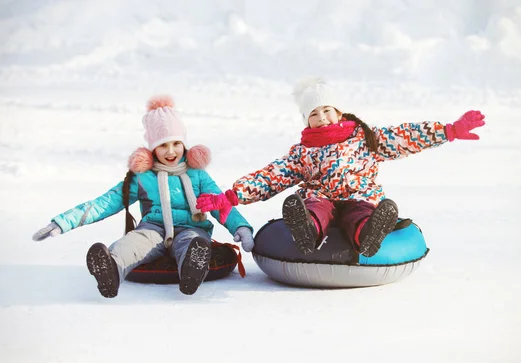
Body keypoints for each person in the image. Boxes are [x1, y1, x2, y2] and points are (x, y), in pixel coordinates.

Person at [196, 77, 485, 257]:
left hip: (360, 197)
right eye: (313, 114)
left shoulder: (365, 137)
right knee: (314, 208)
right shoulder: (302, 151)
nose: (321, 117)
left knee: (360, 213)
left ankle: (369, 233)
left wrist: (447, 130)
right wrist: (233, 196)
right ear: (306, 121)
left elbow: (404, 136)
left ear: (338, 112)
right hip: (321, 198)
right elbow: (273, 175)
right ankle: (306, 230)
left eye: (326, 110)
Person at [32, 96, 254, 297]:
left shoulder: (197, 175)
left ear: (185, 144)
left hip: (192, 227)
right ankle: (110, 269)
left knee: (191, 243)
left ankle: (192, 268)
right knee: (133, 243)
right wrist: (62, 222)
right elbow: (106, 202)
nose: (171, 152)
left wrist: (240, 227)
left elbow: (220, 203)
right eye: (163, 145)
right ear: (152, 149)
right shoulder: (143, 178)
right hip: (153, 228)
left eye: (176, 143)